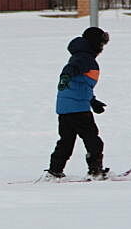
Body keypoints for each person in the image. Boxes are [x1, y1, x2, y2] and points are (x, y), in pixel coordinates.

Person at [46, 27, 110, 180]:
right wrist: (64, 78)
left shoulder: (81, 56)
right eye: (101, 44)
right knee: (92, 139)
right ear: (95, 43)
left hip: (65, 108)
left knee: (66, 142)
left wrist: (93, 101)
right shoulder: (84, 58)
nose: (102, 48)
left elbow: (82, 84)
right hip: (78, 109)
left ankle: (54, 171)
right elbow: (70, 69)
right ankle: (96, 171)